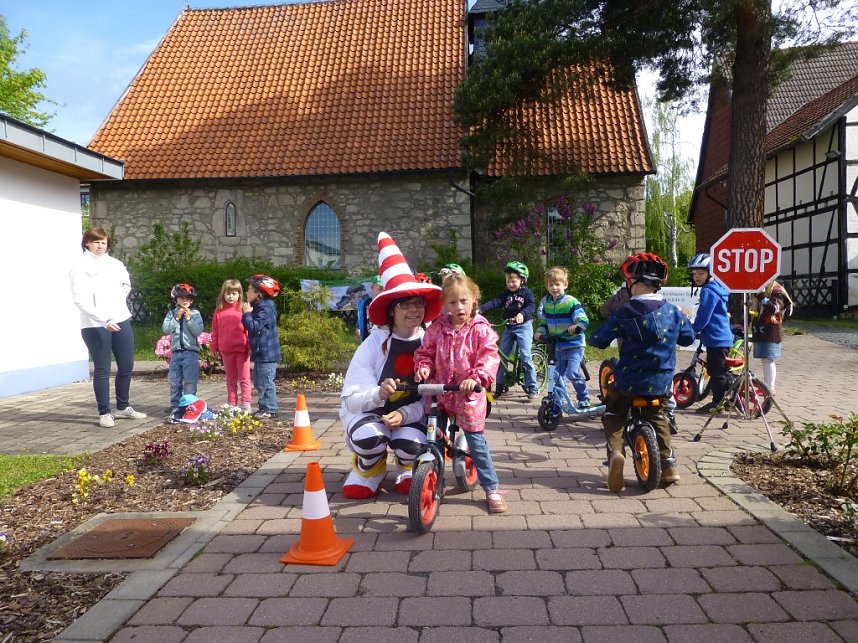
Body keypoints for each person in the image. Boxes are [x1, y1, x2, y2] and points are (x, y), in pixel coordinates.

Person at [339, 232, 443, 499]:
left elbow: (435, 395)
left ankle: (408, 467)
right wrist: (379, 394)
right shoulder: (373, 345)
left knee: (410, 443)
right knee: (368, 438)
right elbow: (351, 399)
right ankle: (369, 468)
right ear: (391, 310)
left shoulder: (430, 341)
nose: (413, 310)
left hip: (412, 414)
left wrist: (405, 414)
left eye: (418, 303)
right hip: (370, 414)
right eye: (405, 304)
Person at [590, 253, 695, 491]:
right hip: (660, 381)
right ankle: (669, 468)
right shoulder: (673, 311)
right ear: (658, 284)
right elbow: (688, 338)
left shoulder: (624, 312)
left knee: (614, 415)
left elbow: (598, 339)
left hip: (628, 380)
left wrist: (595, 335)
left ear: (631, 283)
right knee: (658, 417)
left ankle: (617, 453)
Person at [414, 274, 507, 513]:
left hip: (468, 396)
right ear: (445, 303)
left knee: (477, 443)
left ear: (474, 299)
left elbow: (489, 357)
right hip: (440, 393)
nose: (459, 307)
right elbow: (425, 352)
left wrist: (476, 378)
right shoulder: (437, 327)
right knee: (432, 438)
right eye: (453, 302)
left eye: (464, 301)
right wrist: (423, 367)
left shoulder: (480, 329)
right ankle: (436, 481)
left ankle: (492, 488)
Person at [69, 227, 147, 428]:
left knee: (127, 365)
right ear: (87, 243)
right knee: (103, 368)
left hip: (120, 319)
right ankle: (104, 412)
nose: (100, 246)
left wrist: (118, 298)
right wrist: (104, 319)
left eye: (103, 242)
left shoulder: (116, 264)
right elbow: (80, 300)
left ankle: (123, 406)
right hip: (95, 324)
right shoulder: (80, 266)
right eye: (96, 242)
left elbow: (126, 285)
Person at [602, 255, 680, 435]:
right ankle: (668, 418)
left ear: (629, 282)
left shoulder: (621, 303)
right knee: (665, 389)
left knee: (617, 403)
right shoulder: (668, 308)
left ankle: (616, 444)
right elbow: (687, 336)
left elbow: (604, 314)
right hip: (661, 371)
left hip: (632, 368)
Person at [479, 261, 539, 400]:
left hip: (524, 326)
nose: (510, 284)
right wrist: (481, 309)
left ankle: (532, 386)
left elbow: (531, 307)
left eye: (514, 281)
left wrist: (522, 314)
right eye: (508, 281)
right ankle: (500, 385)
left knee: (525, 356)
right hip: (509, 326)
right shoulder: (506, 294)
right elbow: (495, 301)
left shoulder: (527, 293)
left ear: (522, 280)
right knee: (501, 356)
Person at [534, 266, 591, 408]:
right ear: (547, 286)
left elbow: (582, 318)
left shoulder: (571, 302)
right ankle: (558, 401)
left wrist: (577, 326)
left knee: (572, 373)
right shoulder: (547, 303)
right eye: (551, 285)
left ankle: (584, 398)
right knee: (557, 375)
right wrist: (540, 332)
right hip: (558, 345)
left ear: (565, 285)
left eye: (557, 284)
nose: (554, 288)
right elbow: (544, 322)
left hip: (574, 344)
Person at [688, 253, 734, 413]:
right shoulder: (718, 288)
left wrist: (693, 329)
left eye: (701, 273)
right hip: (723, 337)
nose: (697, 277)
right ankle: (730, 399)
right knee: (721, 370)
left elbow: (704, 315)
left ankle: (718, 403)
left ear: (710, 273)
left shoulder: (708, 291)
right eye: (694, 274)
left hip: (716, 338)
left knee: (716, 372)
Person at [241, 274, 282, 419]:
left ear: (259, 294)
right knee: (259, 381)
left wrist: (246, 314)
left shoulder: (266, 308)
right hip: (261, 352)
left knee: (265, 382)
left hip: (267, 353)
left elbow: (254, 326)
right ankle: (264, 407)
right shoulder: (259, 306)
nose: (246, 293)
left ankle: (270, 408)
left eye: (249, 290)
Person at [162, 283, 204, 416]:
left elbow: (198, 331)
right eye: (181, 298)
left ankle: (189, 404)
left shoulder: (195, 314)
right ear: (176, 300)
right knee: (174, 380)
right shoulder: (171, 314)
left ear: (192, 300)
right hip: (176, 352)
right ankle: (175, 404)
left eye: (188, 298)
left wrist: (189, 318)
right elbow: (166, 329)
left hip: (190, 352)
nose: (185, 301)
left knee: (190, 381)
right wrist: (176, 318)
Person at [211, 279, 251, 412]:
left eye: (234, 293)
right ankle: (232, 404)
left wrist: (250, 345)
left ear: (240, 294)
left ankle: (246, 403)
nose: (231, 296)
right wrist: (214, 346)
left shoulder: (242, 310)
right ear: (223, 294)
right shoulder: (219, 311)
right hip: (226, 350)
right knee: (230, 379)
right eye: (228, 293)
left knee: (244, 378)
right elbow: (215, 331)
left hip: (242, 349)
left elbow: (249, 330)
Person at [751, 280, 793, 396]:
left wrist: (762, 296)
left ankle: (770, 387)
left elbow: (774, 308)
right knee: (764, 359)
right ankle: (767, 386)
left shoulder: (777, 290)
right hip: (759, 328)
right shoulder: (758, 287)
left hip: (771, 330)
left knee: (768, 359)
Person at [356, 275, 383, 341]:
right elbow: (361, 317)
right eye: (380, 289)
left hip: (382, 337)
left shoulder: (386, 303)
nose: (382, 292)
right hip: (368, 337)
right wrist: (358, 327)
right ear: (372, 288)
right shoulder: (365, 303)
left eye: (384, 289)